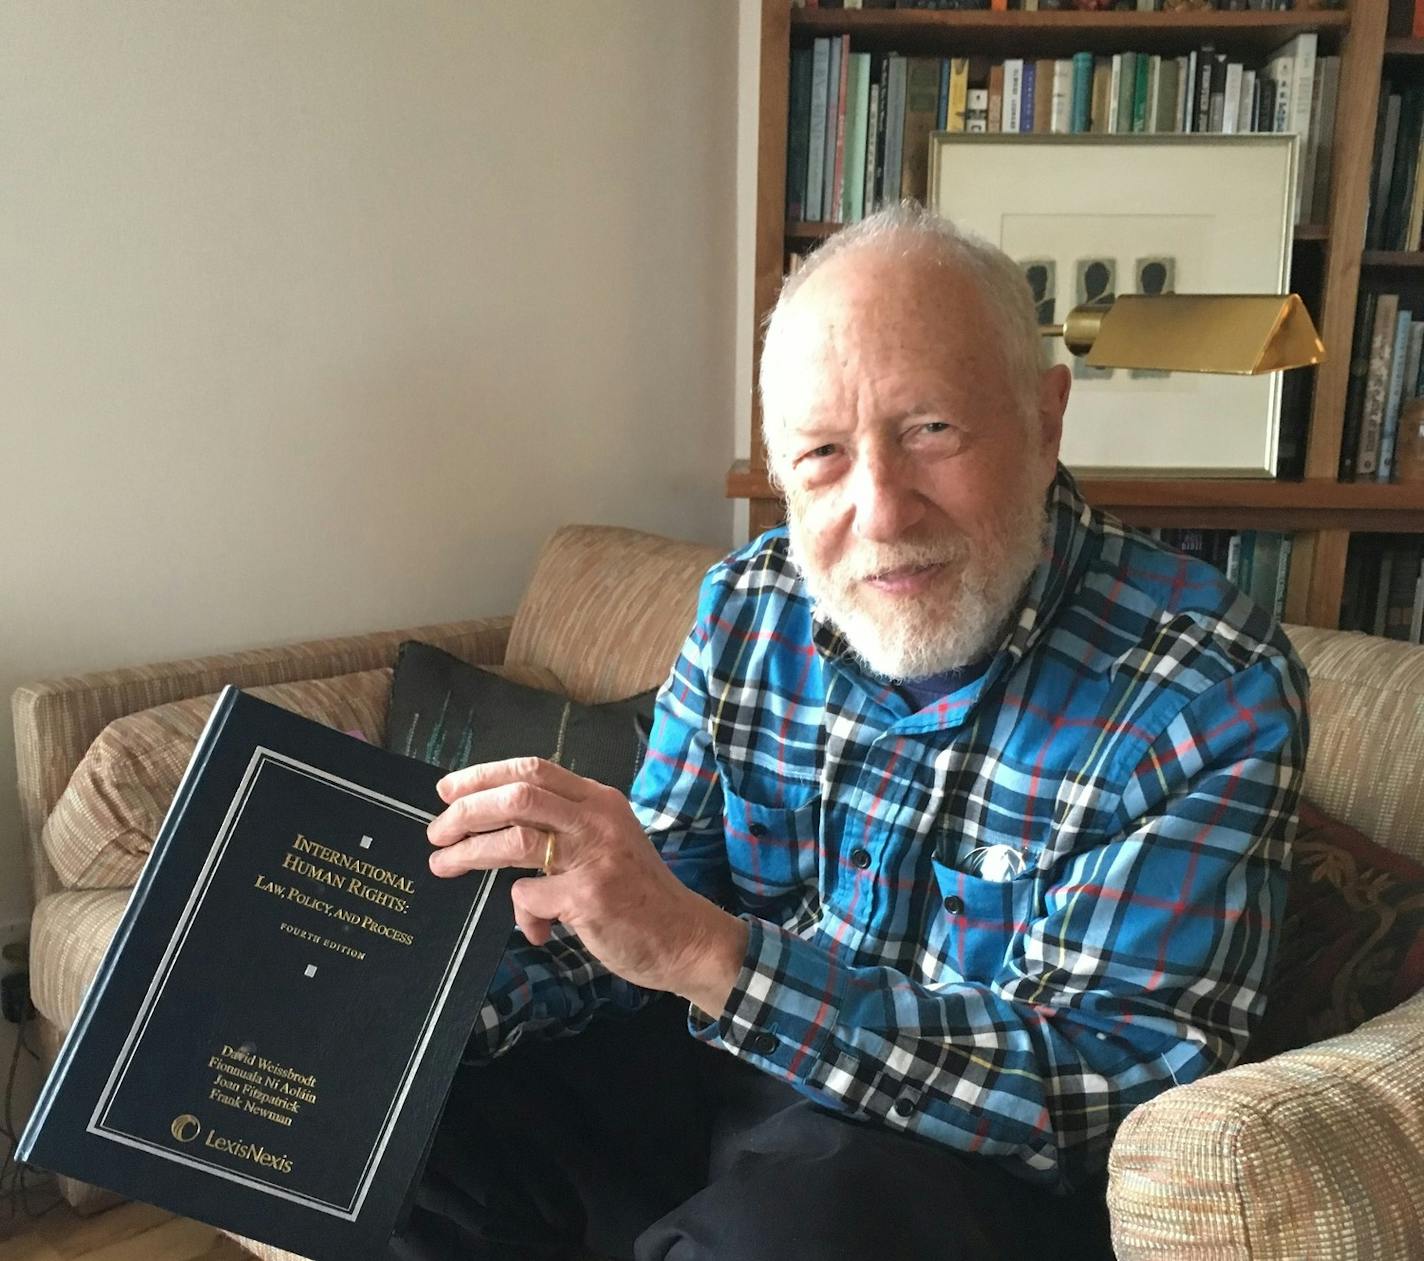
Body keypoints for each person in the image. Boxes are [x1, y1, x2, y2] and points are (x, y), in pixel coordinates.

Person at [395, 203, 1309, 1261]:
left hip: (957, 1175)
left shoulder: (1200, 684)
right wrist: (437, 1002)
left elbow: (1107, 1089)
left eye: (930, 431)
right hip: (723, 1089)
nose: (879, 510)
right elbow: (656, 898)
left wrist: (711, 956)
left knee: (806, 1217)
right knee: (397, 1134)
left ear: (1045, 415)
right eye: (822, 454)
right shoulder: (750, 607)